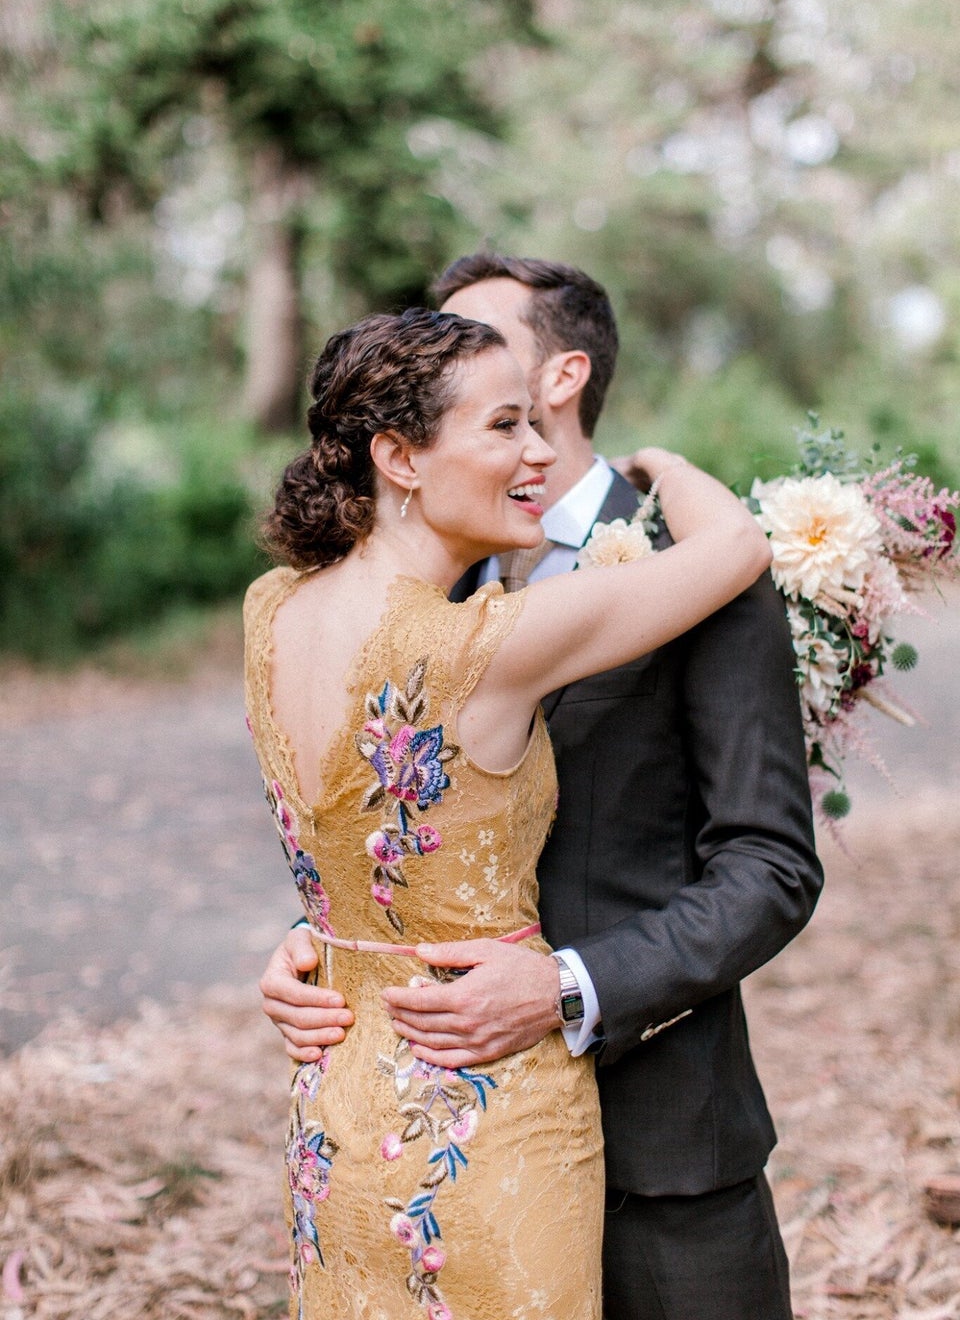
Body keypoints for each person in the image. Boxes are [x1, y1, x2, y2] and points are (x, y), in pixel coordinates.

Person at [259, 256, 824, 1320]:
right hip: (426, 1140)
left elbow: (771, 867)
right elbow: (371, 813)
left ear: (560, 377)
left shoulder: (702, 574)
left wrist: (571, 984)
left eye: (476, 345)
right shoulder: (412, 578)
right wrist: (319, 942)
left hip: (662, 1150)